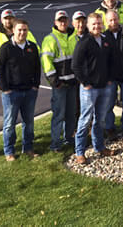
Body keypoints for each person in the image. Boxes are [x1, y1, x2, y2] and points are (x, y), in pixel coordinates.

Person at [72, 13, 117, 164]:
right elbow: (75, 66)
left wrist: (110, 79)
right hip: (89, 89)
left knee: (100, 120)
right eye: (93, 24)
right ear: (88, 26)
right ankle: (80, 152)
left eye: (99, 23)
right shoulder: (84, 42)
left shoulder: (106, 40)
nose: (97, 26)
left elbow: (112, 61)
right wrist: (85, 82)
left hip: (105, 87)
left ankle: (99, 147)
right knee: (85, 120)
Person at [0, 19, 41, 161]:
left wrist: (36, 85)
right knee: (9, 124)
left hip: (29, 91)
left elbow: (37, 68)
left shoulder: (32, 47)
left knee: (28, 122)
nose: (22, 32)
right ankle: (9, 151)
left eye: (25, 30)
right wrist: (5, 88)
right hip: (11, 92)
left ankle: (28, 148)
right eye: (19, 30)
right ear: (13, 31)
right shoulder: (6, 48)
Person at [41, 10, 79, 152]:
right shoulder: (50, 39)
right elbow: (47, 63)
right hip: (60, 86)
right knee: (59, 114)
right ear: (55, 23)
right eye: (60, 20)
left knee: (71, 114)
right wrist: (55, 82)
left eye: (64, 20)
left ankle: (69, 138)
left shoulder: (74, 37)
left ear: (68, 21)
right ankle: (55, 143)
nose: (62, 22)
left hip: (72, 83)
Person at [103, 10, 123, 139]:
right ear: (107, 22)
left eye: (115, 19)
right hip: (110, 78)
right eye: (110, 20)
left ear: (119, 19)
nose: (113, 22)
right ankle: (109, 128)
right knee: (108, 104)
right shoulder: (103, 36)